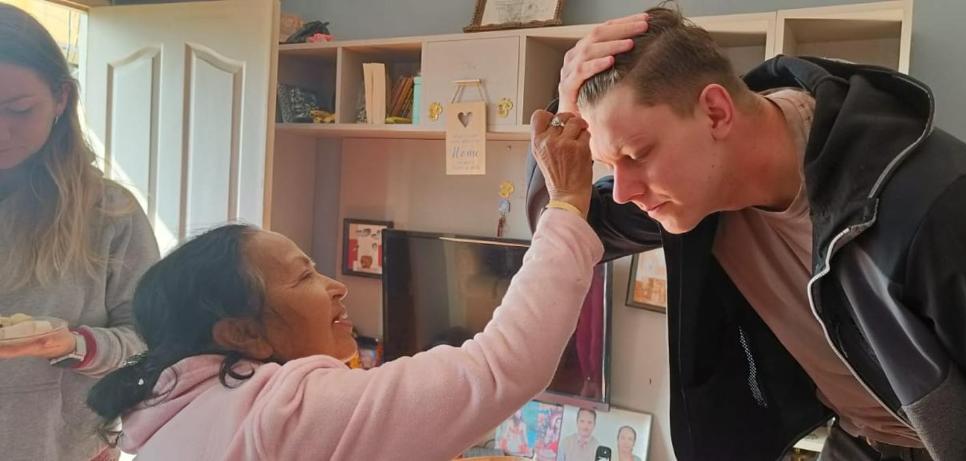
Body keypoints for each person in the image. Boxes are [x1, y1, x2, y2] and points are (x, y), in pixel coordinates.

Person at [526, 7, 966, 461]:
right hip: (862, 439)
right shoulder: (696, 196)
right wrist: (564, 108)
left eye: (635, 154)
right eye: (611, 166)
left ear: (716, 111)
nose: (621, 190)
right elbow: (564, 227)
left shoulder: (942, 207)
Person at [86, 109, 600, 459]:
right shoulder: (282, 412)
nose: (337, 287)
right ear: (241, 333)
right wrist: (566, 206)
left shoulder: (174, 416)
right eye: (305, 275)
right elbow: (497, 370)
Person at [0, 5, 160, 461]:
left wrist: (77, 346)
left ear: (61, 98)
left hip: (65, 449)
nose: (1, 132)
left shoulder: (110, 213)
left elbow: (152, 340)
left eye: (19, 110)